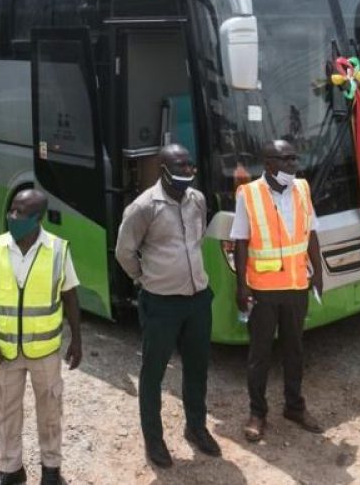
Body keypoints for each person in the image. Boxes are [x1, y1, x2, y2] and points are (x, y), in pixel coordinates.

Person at [115, 144, 218, 469]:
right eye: (180, 166)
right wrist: (144, 279)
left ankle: (196, 427)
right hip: (160, 302)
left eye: (190, 165)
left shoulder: (197, 200)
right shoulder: (143, 207)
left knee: (198, 367)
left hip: (198, 299)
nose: (188, 170)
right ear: (163, 170)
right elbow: (124, 252)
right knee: (154, 372)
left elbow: (196, 240)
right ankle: (154, 440)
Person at [0, 188, 82, 485]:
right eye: (12, 209)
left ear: (37, 218)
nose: (12, 216)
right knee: (6, 410)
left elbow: (71, 297)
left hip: (45, 350)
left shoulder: (57, 250)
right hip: (6, 349)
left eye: (20, 212)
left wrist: (77, 339)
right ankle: (11, 469)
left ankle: (51, 470)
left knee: (50, 410)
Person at [231, 139, 324, 443]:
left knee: (294, 349)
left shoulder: (302, 189)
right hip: (263, 290)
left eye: (294, 158)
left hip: (297, 286)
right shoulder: (249, 194)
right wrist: (241, 285)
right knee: (260, 354)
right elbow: (241, 241)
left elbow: (310, 233)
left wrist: (319, 272)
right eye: (285, 159)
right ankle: (257, 413)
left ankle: (294, 407)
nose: (292, 164)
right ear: (268, 163)